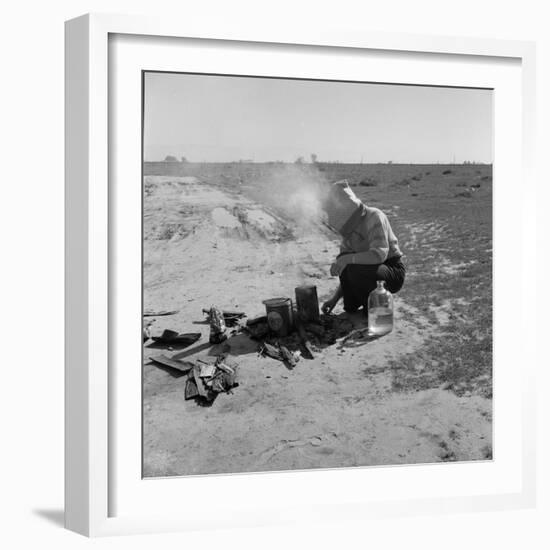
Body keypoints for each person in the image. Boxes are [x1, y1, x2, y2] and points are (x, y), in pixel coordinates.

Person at [321, 180, 405, 315]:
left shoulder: (374, 216)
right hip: (368, 270)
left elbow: (379, 255)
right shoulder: (348, 232)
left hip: (391, 269)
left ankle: (378, 307)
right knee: (344, 261)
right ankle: (358, 303)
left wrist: (348, 259)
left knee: (351, 264)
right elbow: (346, 266)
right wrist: (334, 299)